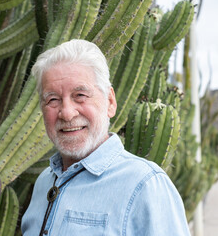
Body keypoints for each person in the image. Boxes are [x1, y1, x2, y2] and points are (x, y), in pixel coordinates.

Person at [21, 39, 190, 236]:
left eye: (80, 95)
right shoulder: (44, 182)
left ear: (110, 102)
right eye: (53, 100)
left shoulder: (145, 185)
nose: (66, 113)